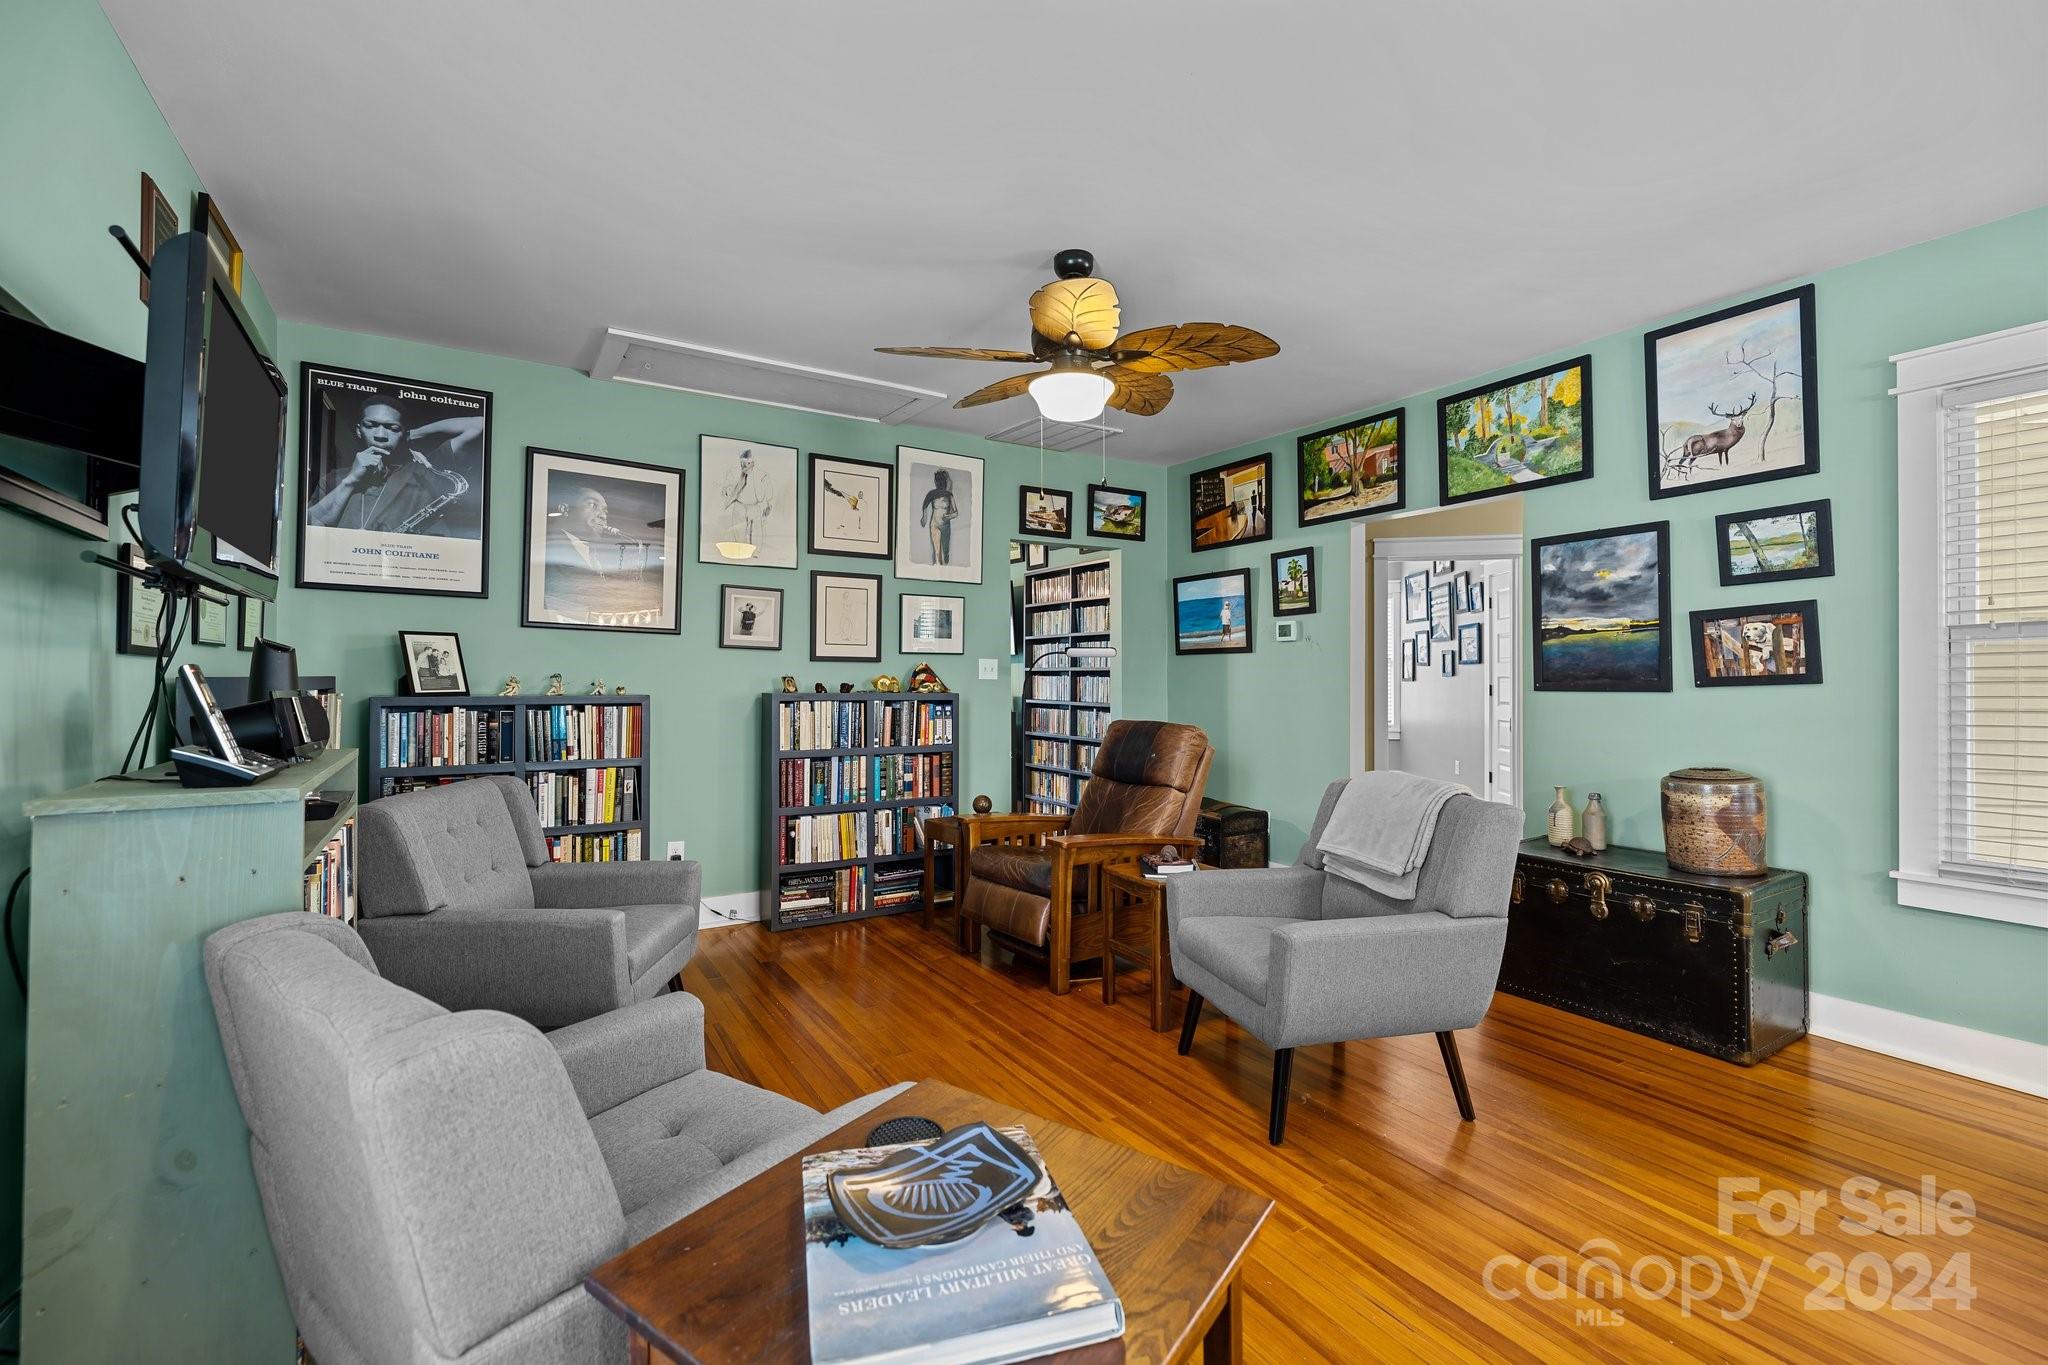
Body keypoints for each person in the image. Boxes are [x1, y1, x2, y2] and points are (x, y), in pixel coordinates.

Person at [308, 398, 484, 534]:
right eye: (371, 425)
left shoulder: (425, 469)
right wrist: (351, 479)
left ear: (403, 433)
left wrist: (413, 434)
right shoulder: (335, 477)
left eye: (392, 428)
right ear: (358, 430)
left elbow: (479, 425)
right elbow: (309, 524)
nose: (381, 435)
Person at [920, 469, 958, 566]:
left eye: (942, 480)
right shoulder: (932, 493)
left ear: (945, 481)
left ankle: (945, 572)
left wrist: (949, 516)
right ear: (936, 482)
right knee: (937, 552)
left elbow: (956, 513)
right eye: (938, 480)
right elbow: (925, 505)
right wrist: (924, 517)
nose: (940, 483)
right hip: (934, 525)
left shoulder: (949, 495)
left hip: (945, 525)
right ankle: (937, 572)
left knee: (945, 551)